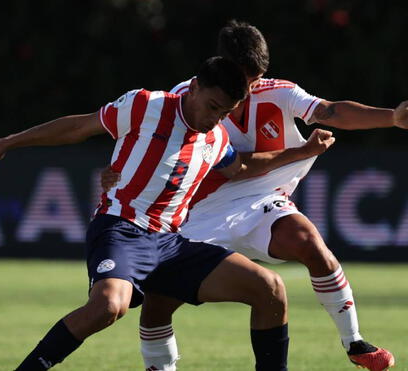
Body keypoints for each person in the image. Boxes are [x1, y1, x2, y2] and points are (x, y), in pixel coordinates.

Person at [0, 56, 333, 370]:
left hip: (171, 244)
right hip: (121, 229)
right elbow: (78, 127)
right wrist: (7, 143)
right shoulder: (147, 105)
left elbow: (239, 169)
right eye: (212, 107)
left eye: (225, 113)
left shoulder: (216, 139)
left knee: (270, 289)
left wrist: (300, 152)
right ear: (193, 88)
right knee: (108, 306)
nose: (215, 120)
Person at [101, 20, 406, 371]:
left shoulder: (279, 92)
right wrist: (116, 171)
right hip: (197, 212)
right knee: (158, 302)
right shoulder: (192, 97)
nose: (250, 88)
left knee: (308, 241)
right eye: (245, 78)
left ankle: (354, 341)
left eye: (257, 78)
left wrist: (393, 118)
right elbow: (209, 158)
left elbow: (332, 111)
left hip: (262, 199)